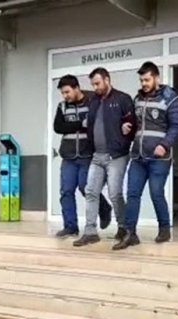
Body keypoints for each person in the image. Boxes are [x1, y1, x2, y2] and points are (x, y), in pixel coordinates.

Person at [114, 61, 178, 250]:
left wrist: (164, 145)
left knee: (156, 193)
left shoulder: (171, 99)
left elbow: (176, 127)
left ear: (156, 78)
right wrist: (126, 128)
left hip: (159, 158)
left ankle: (164, 229)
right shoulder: (138, 99)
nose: (143, 83)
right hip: (138, 156)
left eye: (147, 80)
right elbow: (136, 126)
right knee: (132, 194)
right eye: (141, 80)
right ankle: (130, 233)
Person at [73, 67, 137, 247]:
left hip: (116, 155)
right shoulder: (94, 101)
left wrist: (126, 133)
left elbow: (133, 123)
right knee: (90, 192)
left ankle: (123, 227)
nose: (95, 87)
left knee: (115, 193)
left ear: (107, 80)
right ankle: (90, 232)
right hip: (97, 156)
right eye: (93, 84)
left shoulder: (122, 99)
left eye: (97, 83)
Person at [53, 75, 112, 238]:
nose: (65, 96)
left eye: (67, 92)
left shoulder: (93, 101)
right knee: (66, 191)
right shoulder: (62, 106)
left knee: (85, 187)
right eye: (62, 93)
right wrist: (80, 124)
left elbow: (97, 123)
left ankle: (104, 208)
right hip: (68, 155)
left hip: (87, 154)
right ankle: (70, 226)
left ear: (76, 88)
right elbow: (58, 127)